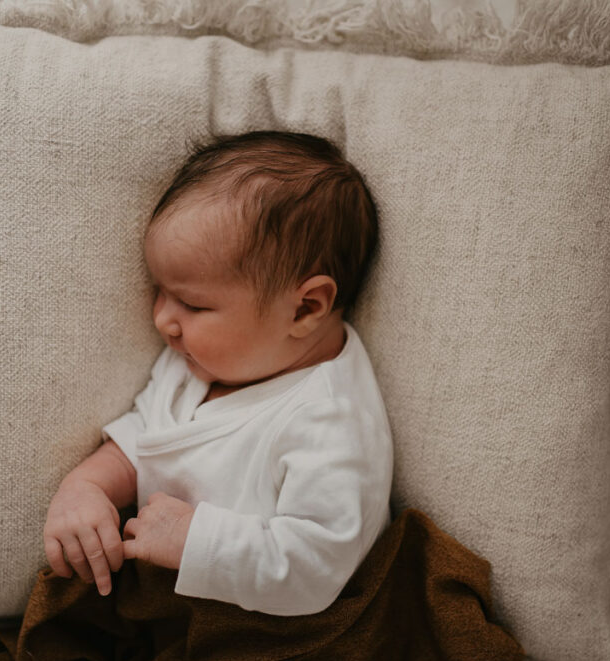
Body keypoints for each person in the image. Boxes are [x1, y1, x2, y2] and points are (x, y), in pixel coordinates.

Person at [42, 131, 393, 616]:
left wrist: (197, 542)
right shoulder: (201, 360)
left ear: (305, 308)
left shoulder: (330, 421)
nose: (163, 319)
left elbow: (315, 567)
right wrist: (86, 488)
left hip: (277, 631)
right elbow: (144, 438)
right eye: (159, 291)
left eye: (192, 303)